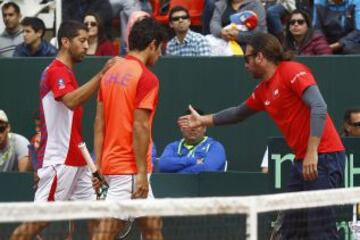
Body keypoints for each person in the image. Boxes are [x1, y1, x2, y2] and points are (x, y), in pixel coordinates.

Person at [178, 32, 345, 239]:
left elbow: (319, 107)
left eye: (247, 58)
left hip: (323, 156)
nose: (245, 65)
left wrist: (312, 152)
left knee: (322, 231)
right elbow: (238, 113)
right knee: (292, 230)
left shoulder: (292, 71)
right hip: (304, 160)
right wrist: (203, 120)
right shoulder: (263, 90)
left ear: (260, 57)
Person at [11, 20, 119, 240]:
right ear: (65, 42)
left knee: (96, 217)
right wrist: (102, 75)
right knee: (40, 221)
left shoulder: (68, 73)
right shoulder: (56, 71)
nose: (86, 46)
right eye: (82, 40)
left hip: (78, 161)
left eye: (88, 41)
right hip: (58, 161)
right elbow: (70, 100)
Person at [92, 18, 167, 240]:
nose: (160, 55)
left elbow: (99, 122)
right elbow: (140, 125)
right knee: (105, 234)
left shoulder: (110, 73)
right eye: (160, 49)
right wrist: (142, 173)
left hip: (112, 165)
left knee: (153, 226)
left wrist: (99, 163)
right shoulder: (147, 77)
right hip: (130, 169)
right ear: (152, 44)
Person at [159, 107, 227, 173]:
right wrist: (194, 161)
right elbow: (162, 164)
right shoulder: (173, 147)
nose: (193, 128)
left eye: (197, 125)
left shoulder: (215, 146)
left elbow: (207, 168)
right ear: (181, 128)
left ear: (205, 128)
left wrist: (177, 175)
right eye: (188, 124)